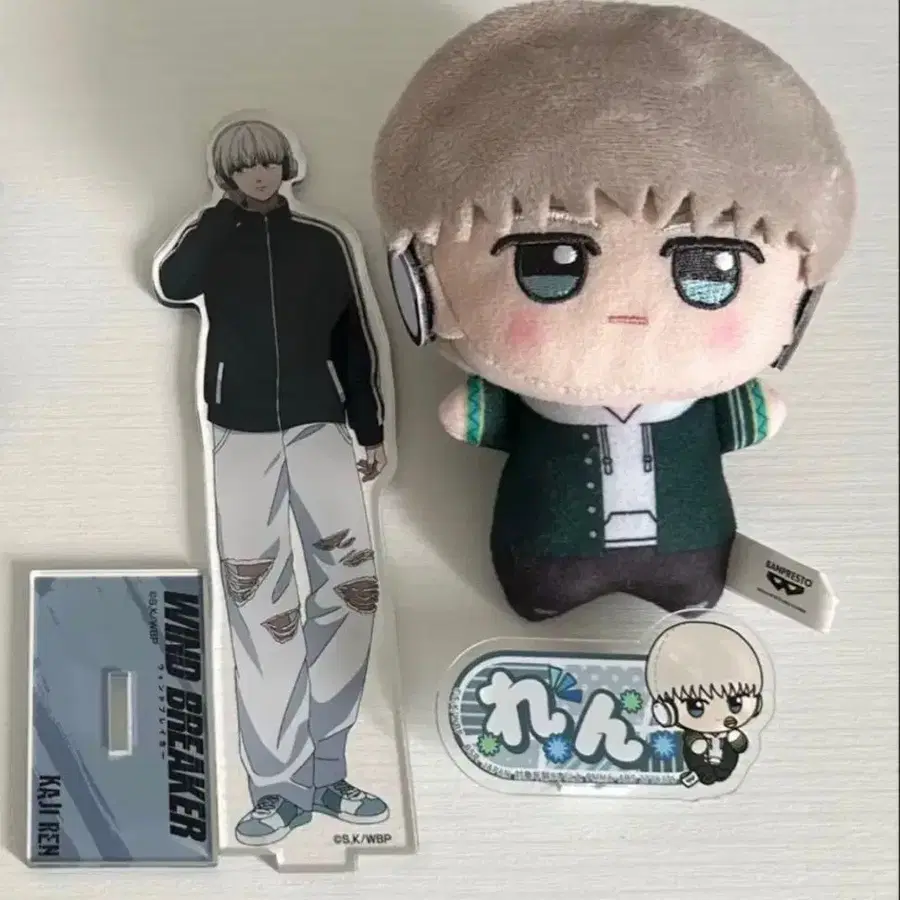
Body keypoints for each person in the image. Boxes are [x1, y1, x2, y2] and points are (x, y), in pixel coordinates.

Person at [372, 0, 855, 621]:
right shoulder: (530, 402)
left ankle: (678, 588)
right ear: (424, 288)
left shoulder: (703, 404)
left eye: (710, 271)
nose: (631, 311)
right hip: (547, 559)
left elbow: (752, 416)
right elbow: (475, 416)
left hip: (686, 555)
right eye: (549, 263)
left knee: (681, 588)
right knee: (542, 585)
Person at [153, 116, 389, 846]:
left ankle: (329, 771)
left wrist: (369, 426)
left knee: (353, 588)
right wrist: (219, 216)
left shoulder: (321, 242)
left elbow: (353, 338)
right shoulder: (213, 239)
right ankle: (278, 789)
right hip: (241, 436)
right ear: (228, 175)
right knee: (260, 604)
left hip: (321, 428)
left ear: (286, 166)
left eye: (268, 164)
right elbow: (172, 283)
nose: (259, 176)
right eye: (244, 168)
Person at [645, 621, 765, 786]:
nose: (719, 717)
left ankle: (720, 773)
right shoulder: (692, 735)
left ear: (756, 704)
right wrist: (697, 743)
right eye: (696, 707)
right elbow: (693, 744)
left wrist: (736, 739)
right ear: (667, 712)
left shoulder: (731, 733)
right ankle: (704, 773)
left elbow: (741, 747)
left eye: (735, 703)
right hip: (700, 765)